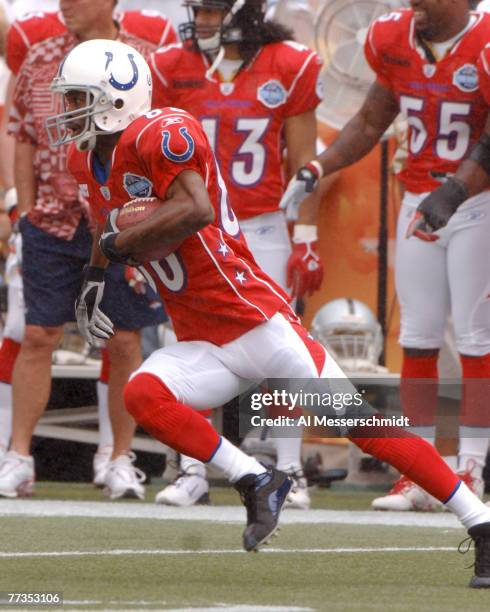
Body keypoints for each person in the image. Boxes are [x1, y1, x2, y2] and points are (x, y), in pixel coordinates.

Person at [46, 38, 490, 576]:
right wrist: (95, 275)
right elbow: (110, 221)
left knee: (363, 425)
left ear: (117, 97)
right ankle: (257, 480)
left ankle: (479, 520)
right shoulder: (86, 155)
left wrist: (117, 247)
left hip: (255, 323)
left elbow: (195, 209)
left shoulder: (160, 133)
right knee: (145, 393)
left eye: (78, 98)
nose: (68, 112)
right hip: (200, 339)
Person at [280, 0, 490, 511]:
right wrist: (318, 167)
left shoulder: (484, 43)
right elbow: (371, 120)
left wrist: (457, 191)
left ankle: (472, 467)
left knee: (474, 337)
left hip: (478, 202)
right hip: (419, 197)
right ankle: (418, 470)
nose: (414, 3)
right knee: (415, 338)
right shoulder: (392, 38)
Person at [148, 0, 333, 509]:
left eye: (211, 11)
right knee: (183, 337)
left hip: (262, 223)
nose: (201, 22)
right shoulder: (169, 65)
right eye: (198, 11)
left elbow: (302, 162)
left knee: (282, 343)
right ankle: (191, 469)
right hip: (198, 228)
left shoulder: (289, 63)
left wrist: (308, 236)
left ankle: (289, 463)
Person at [0, 0, 176, 500]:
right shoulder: (40, 58)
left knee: (123, 340)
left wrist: (153, 214)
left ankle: (119, 457)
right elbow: (23, 137)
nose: (66, 5)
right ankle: (18, 456)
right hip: (54, 219)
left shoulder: (143, 59)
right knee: (38, 333)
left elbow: (162, 135)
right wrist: (25, 213)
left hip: (124, 214)